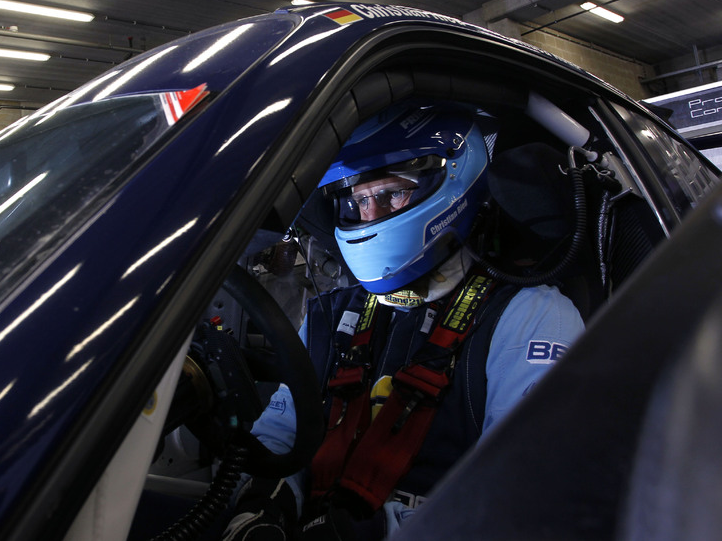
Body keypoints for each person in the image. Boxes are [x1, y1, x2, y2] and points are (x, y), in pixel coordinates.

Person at [224, 102, 586, 540]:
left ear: (454, 184)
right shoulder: (328, 314)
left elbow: (529, 496)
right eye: (359, 200)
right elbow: (283, 433)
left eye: (391, 193)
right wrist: (263, 502)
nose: (369, 216)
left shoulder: (531, 316)